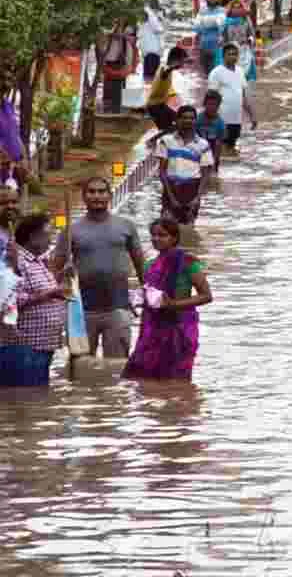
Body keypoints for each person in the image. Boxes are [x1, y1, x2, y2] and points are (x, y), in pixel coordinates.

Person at [50, 177, 146, 360]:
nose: (97, 196)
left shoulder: (126, 226)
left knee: (117, 366)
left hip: (118, 307)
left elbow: (139, 262)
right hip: (82, 310)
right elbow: (55, 268)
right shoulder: (71, 230)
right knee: (80, 367)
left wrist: (147, 291)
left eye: (101, 191)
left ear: (109, 195)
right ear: (84, 197)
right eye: (91, 191)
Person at [121, 218, 212, 381]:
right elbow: (150, 293)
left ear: (174, 238)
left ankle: (179, 404)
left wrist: (174, 304)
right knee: (143, 375)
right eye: (153, 235)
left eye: (162, 235)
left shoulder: (188, 263)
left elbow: (206, 296)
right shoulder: (149, 265)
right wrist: (136, 300)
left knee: (177, 376)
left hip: (181, 326)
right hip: (153, 327)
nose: (156, 239)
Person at [2, 215, 66, 386]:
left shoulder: (37, 261)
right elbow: (10, 301)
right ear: (33, 237)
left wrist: (61, 282)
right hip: (25, 346)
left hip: (43, 344)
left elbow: (40, 290)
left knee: (36, 396)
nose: (50, 240)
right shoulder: (17, 261)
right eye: (47, 235)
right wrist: (50, 294)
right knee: (25, 395)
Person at [155, 106, 216, 226]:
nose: (188, 121)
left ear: (195, 121)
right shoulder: (166, 141)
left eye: (191, 118)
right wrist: (171, 197)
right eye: (184, 118)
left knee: (188, 229)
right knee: (167, 226)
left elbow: (205, 175)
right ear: (177, 120)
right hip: (171, 189)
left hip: (191, 190)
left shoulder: (203, 145)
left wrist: (197, 198)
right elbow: (162, 171)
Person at [206, 43, 256, 154]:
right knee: (221, 150)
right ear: (223, 56)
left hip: (236, 119)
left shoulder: (240, 71)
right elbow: (210, 98)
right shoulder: (216, 73)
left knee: (231, 148)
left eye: (235, 54)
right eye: (230, 54)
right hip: (221, 119)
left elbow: (244, 97)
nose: (233, 57)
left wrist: (252, 116)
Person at [146, 47, 187, 141]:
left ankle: (158, 140)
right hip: (154, 106)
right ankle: (153, 141)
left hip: (161, 104)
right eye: (182, 61)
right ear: (176, 60)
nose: (183, 64)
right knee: (168, 130)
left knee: (180, 120)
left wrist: (173, 95)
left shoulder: (166, 68)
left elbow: (164, 84)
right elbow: (164, 74)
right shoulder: (165, 69)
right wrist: (172, 67)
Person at [101, 27, 139, 115]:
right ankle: (111, 109)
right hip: (111, 58)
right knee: (112, 86)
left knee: (120, 86)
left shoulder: (130, 24)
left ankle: (116, 109)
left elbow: (134, 39)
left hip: (125, 59)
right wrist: (123, 36)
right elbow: (105, 32)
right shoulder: (113, 22)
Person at [194, 0, 227, 75]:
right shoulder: (202, 10)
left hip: (217, 44)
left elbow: (221, 24)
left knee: (216, 70)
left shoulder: (222, 10)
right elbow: (197, 25)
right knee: (206, 70)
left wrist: (206, 23)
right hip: (203, 44)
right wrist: (212, 22)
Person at [195, 91, 227, 170]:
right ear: (204, 104)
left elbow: (219, 144)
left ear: (218, 106)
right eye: (209, 104)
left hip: (213, 151)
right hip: (198, 151)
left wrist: (215, 160)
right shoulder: (198, 119)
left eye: (214, 105)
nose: (211, 107)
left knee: (212, 175)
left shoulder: (220, 124)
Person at [140, 4, 164, 81]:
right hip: (150, 54)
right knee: (150, 78)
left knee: (151, 78)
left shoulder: (154, 25)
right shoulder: (147, 25)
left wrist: (148, 10)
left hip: (152, 54)